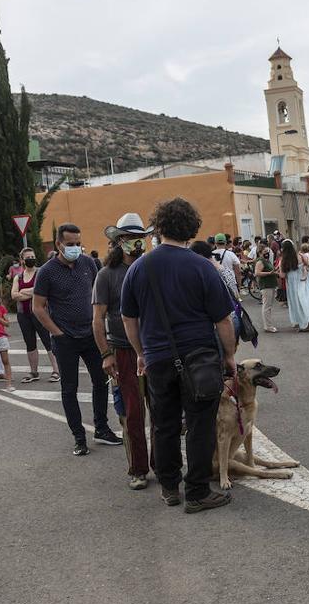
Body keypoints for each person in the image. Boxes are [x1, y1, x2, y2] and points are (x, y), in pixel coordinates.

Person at [120, 197, 236, 513]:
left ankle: (170, 487)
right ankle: (197, 491)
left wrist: (141, 353)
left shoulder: (138, 268)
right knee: (200, 424)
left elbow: (129, 320)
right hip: (199, 357)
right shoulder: (202, 266)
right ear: (190, 228)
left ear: (158, 227)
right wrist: (229, 356)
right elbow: (223, 320)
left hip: (157, 358)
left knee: (164, 423)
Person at [33, 223, 123, 456]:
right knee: (69, 389)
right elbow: (38, 307)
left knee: (101, 382)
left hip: (91, 335)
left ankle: (102, 429)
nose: (75, 248)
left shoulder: (88, 264)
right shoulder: (46, 271)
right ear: (58, 244)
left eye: (77, 244)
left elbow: (97, 296)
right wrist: (57, 333)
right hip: (65, 339)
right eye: (70, 244)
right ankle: (79, 437)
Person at [94, 213, 154, 490]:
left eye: (140, 238)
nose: (136, 244)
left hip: (155, 349)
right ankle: (138, 469)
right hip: (122, 351)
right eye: (130, 239)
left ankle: (162, 465)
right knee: (132, 413)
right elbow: (98, 319)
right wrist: (106, 354)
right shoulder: (106, 275)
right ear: (118, 241)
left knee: (161, 410)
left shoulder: (151, 269)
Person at [11, 247, 59, 383]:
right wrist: (32, 291)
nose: (31, 259)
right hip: (23, 314)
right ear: (22, 260)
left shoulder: (41, 273)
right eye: (28, 257)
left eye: (32, 256)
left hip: (40, 313)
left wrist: (24, 292)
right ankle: (34, 371)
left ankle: (56, 370)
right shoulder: (18, 277)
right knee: (30, 343)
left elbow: (44, 290)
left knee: (47, 341)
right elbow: (14, 295)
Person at [281, 239, 309, 332]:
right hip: (301, 280)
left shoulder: (283, 260)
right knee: (304, 301)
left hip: (291, 282)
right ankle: (308, 321)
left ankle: (302, 323)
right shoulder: (299, 256)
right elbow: (307, 264)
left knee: (296, 303)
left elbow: (282, 275)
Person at [255, 243, 279, 333]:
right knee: (267, 306)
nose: (267, 253)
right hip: (266, 285)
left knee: (268, 306)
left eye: (267, 251)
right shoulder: (260, 261)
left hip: (270, 284)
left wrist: (275, 272)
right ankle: (268, 326)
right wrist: (269, 273)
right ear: (260, 252)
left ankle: (268, 325)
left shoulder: (266, 260)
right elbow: (257, 273)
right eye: (265, 251)